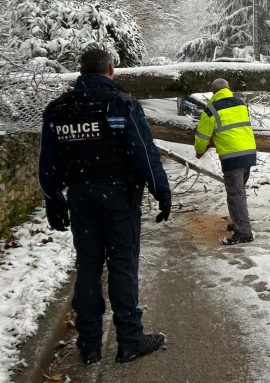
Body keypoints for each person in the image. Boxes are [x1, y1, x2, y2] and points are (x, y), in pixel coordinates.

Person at [39, 48, 172, 364]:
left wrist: (52, 199)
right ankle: (129, 339)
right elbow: (143, 152)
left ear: (81, 72)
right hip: (119, 199)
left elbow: (47, 161)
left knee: (88, 266)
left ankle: (89, 344)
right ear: (111, 70)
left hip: (81, 199)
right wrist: (161, 191)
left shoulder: (58, 110)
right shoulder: (121, 104)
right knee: (122, 264)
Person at [194, 78, 258, 245]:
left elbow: (202, 137)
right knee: (239, 192)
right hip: (249, 153)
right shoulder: (241, 104)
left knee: (235, 195)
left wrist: (199, 150)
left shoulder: (211, 110)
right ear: (228, 89)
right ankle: (239, 223)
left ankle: (244, 233)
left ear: (213, 93)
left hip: (232, 156)